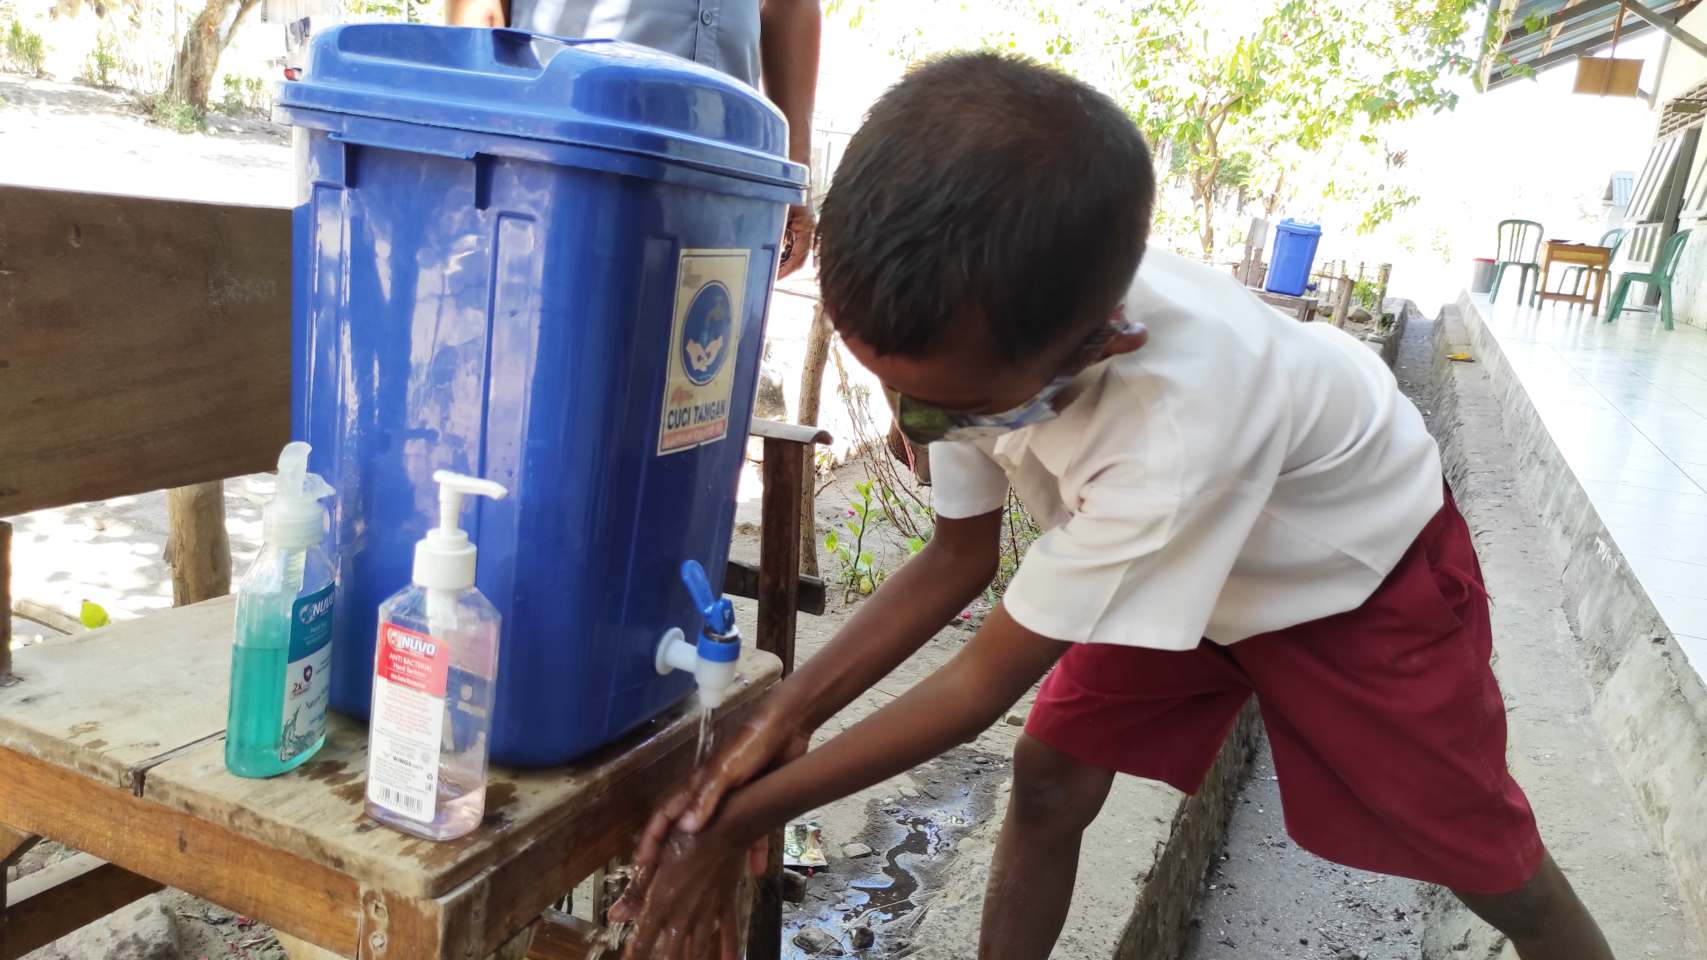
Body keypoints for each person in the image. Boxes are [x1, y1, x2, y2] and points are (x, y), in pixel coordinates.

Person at [608, 53, 1616, 960]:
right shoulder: (966, 334)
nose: (917, 424)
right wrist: (781, 716)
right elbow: (954, 561)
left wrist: (734, 821)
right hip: (1169, 553)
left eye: (946, 407)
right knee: (1048, 782)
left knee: (1484, 860)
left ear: (1101, 345)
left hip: (1348, 575)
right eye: (893, 384)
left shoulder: (1177, 422)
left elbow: (974, 692)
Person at [446, 0, 820, 278]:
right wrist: (471, 160)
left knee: (700, 364)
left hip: (727, 178)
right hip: (565, 167)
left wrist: (795, 169)